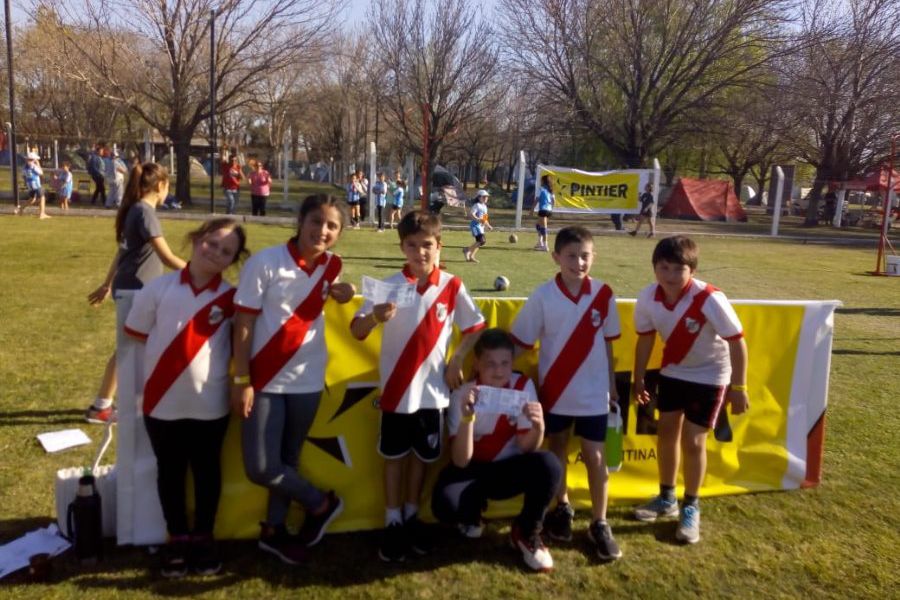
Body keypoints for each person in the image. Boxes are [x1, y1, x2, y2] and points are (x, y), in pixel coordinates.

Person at [350, 210, 486, 563]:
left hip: (433, 394)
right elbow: (357, 329)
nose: (420, 252)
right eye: (412, 245)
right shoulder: (388, 286)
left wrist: (457, 359)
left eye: (427, 245)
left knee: (422, 459)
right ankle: (392, 520)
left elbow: (476, 328)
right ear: (402, 248)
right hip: (396, 394)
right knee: (394, 459)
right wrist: (373, 317)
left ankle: (411, 515)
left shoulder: (453, 285)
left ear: (439, 246)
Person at [231, 194, 354, 564]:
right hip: (264, 378)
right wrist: (242, 378)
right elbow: (243, 322)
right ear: (300, 220)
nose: (323, 230)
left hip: (308, 379)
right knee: (262, 467)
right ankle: (321, 502)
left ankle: (275, 530)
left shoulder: (333, 266)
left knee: (288, 459)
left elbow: (330, 296)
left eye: (332, 225)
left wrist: (344, 293)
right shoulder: (265, 262)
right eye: (316, 221)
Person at [124, 218, 249, 578]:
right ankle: (177, 537)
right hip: (161, 404)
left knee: (208, 472)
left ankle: (204, 537)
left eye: (226, 251)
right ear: (195, 240)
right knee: (170, 473)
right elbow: (138, 335)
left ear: (232, 261)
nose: (216, 252)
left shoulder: (232, 298)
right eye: (211, 243)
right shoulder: (157, 289)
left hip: (210, 406)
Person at [510, 225, 623, 560]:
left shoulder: (604, 294)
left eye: (585, 255)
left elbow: (607, 344)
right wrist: (492, 372)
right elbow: (521, 341)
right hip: (555, 391)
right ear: (556, 256)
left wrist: (613, 384)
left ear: (594, 257)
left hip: (594, 395)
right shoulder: (543, 295)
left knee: (596, 457)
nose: (579, 262)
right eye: (571, 256)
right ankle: (563, 508)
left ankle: (600, 523)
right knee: (556, 448)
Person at [631, 235, 749, 544]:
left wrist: (739, 387)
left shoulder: (709, 298)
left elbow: (738, 342)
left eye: (677, 270)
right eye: (663, 268)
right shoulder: (647, 297)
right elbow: (645, 339)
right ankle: (666, 498)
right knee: (666, 433)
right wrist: (639, 378)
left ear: (692, 270)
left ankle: (691, 506)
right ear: (654, 267)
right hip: (673, 373)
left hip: (711, 376)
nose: (669, 276)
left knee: (694, 442)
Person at [431, 328, 562, 572]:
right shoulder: (462, 394)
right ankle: (471, 514)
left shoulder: (523, 386)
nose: (499, 371)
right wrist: (468, 417)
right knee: (444, 505)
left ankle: (526, 531)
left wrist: (539, 427)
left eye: (505, 363)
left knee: (549, 464)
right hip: (471, 469)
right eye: (490, 364)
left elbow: (526, 447)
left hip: (506, 471)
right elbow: (460, 460)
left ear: (513, 362)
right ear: (477, 363)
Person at [85, 163, 186, 424]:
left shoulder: (136, 210)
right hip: (137, 291)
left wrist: (107, 284)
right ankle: (102, 408)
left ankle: (108, 405)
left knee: (132, 349)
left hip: (132, 289)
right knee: (129, 350)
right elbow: (166, 256)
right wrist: (200, 271)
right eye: (168, 187)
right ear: (161, 185)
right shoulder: (144, 212)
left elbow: (122, 252)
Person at [17, 152, 50, 219]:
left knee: (32, 199)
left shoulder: (24, 167)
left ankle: (21, 209)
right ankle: (42, 214)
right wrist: (38, 164)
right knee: (42, 198)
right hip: (36, 184)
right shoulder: (34, 166)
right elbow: (41, 173)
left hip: (30, 185)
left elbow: (23, 176)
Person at [463, 189, 493, 263]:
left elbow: (485, 218)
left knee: (480, 242)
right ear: (479, 197)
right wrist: (478, 219)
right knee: (481, 240)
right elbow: (472, 214)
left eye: (486, 197)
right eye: (484, 197)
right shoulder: (477, 205)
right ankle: (467, 250)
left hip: (481, 227)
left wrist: (488, 225)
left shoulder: (485, 207)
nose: (486, 198)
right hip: (475, 225)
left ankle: (471, 256)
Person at [533, 175, 554, 251]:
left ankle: (545, 246)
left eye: (541, 180)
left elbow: (537, 200)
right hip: (549, 210)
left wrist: (532, 210)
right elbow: (553, 201)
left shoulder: (541, 189)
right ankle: (540, 242)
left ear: (543, 181)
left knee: (543, 228)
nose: (540, 181)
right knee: (538, 225)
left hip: (543, 210)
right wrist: (551, 209)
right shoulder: (550, 190)